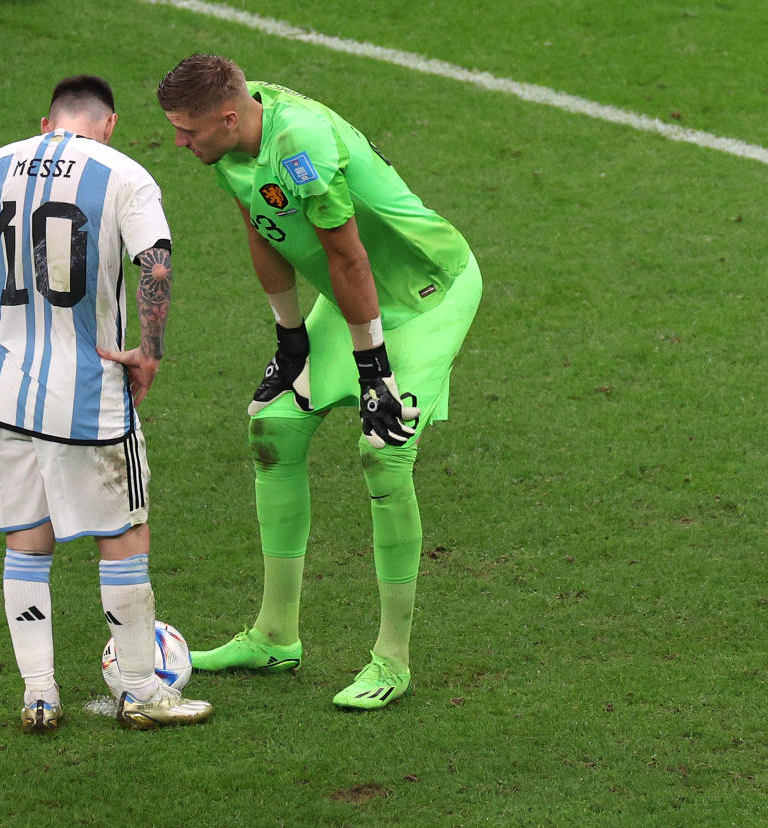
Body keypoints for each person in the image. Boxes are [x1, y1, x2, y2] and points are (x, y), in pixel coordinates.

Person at [156, 55, 483, 710]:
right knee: (273, 427)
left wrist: (374, 372)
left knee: (384, 452)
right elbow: (261, 223)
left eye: (187, 131)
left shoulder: (300, 144)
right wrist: (290, 339)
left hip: (424, 296)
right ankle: (275, 637)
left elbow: (348, 254)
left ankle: (391, 660)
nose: (178, 143)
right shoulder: (229, 146)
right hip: (351, 296)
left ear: (226, 117)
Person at [0, 75, 211, 732]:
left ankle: (39, 694)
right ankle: (140, 690)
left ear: (47, 120)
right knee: (125, 535)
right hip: (91, 399)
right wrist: (149, 349)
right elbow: (155, 263)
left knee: (27, 540)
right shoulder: (125, 175)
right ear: (108, 124)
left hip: (11, 395)